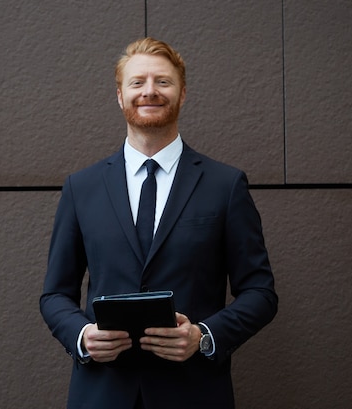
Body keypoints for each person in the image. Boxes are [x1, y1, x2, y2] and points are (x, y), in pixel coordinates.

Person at [40, 37, 278, 409]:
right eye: (137, 83)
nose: (149, 91)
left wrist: (204, 336)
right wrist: (83, 335)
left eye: (163, 82)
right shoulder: (81, 187)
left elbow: (261, 293)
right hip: (102, 394)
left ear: (183, 94)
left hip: (194, 393)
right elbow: (55, 294)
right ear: (120, 96)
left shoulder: (225, 185)